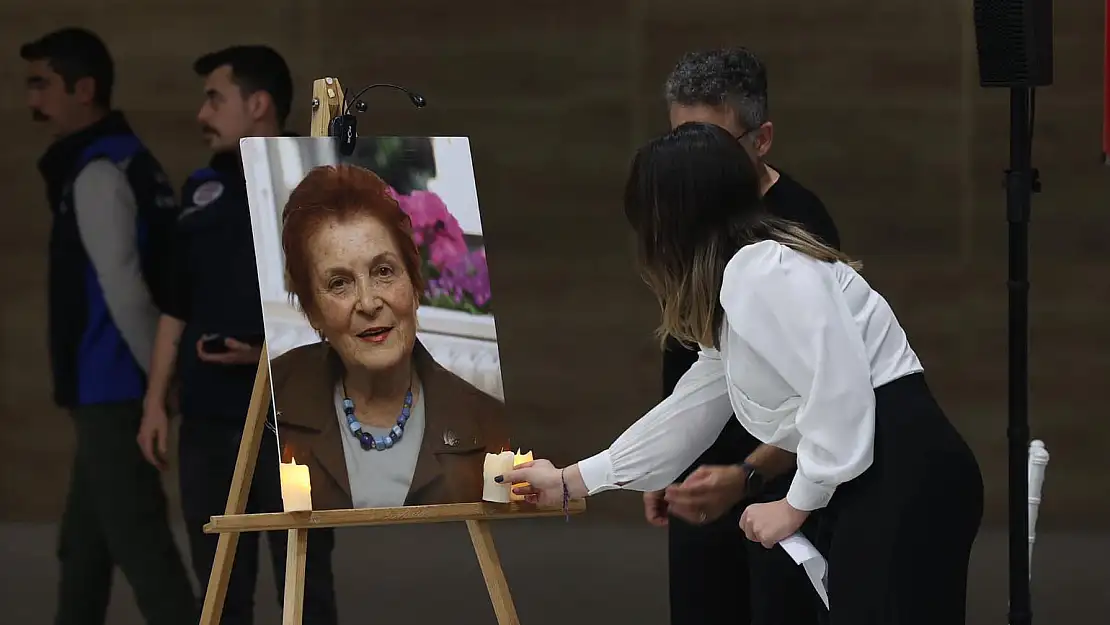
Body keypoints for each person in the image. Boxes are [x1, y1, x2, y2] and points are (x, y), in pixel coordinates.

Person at [502, 122, 985, 625]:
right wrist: (569, 481)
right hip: (890, 473)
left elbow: (840, 392)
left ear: (669, 222)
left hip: (901, 470)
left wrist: (795, 503)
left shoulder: (759, 273)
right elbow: (688, 412)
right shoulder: (744, 284)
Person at [137, 46, 337, 625]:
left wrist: (267, 353)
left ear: (258, 104)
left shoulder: (314, 183)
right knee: (221, 591)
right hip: (206, 422)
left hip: (291, 420)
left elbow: (348, 306)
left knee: (304, 587)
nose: (202, 115)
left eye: (214, 99)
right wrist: (155, 402)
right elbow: (175, 307)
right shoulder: (200, 189)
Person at [649, 47, 840, 625]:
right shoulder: (690, 218)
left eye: (709, 145)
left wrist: (749, 474)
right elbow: (695, 362)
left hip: (779, 474)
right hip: (704, 473)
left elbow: (826, 400)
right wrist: (666, 459)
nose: (691, 165)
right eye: (679, 143)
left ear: (761, 140)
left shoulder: (795, 233)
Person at [22, 27, 197, 625]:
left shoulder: (100, 173)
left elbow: (125, 291)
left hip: (115, 389)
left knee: (141, 546)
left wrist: (159, 381)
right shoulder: (130, 163)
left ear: (85, 88)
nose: (32, 101)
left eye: (42, 84)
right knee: (85, 546)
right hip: (111, 388)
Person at [272, 163, 510, 509]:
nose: (368, 303)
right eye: (339, 283)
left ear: (414, 286)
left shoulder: (489, 427)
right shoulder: (270, 405)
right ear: (312, 312)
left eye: (384, 272)